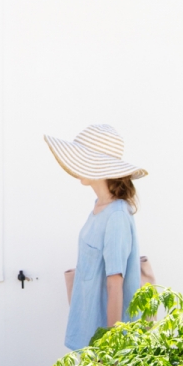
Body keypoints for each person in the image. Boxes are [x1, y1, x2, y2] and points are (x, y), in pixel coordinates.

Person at [43, 124, 148, 351]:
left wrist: (109, 349)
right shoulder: (100, 207)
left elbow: (115, 284)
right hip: (89, 328)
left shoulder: (117, 215)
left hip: (105, 341)